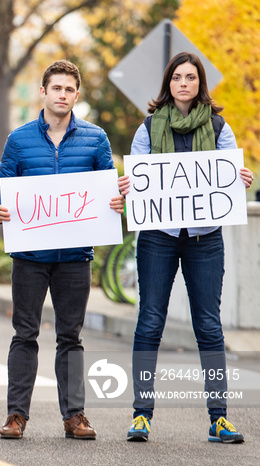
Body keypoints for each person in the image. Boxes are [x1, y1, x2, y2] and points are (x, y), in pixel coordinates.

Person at [118, 52, 253, 444]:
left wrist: (238, 177)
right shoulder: (148, 127)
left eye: (190, 77)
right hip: (158, 237)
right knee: (150, 322)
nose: (183, 83)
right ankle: (141, 415)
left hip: (204, 238)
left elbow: (228, 173)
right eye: (177, 77)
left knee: (209, 326)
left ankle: (219, 418)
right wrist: (130, 186)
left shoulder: (218, 126)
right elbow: (138, 178)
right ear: (168, 83)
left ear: (200, 84)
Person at [0, 60, 123, 440]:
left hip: (74, 257)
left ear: (76, 96)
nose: (62, 95)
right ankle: (16, 415)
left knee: (71, 337)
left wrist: (117, 202)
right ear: (43, 92)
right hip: (30, 258)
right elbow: (3, 185)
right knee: (24, 334)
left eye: (69, 90)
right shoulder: (19, 139)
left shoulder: (95, 139)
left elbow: (109, 188)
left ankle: (75, 416)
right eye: (56, 88)